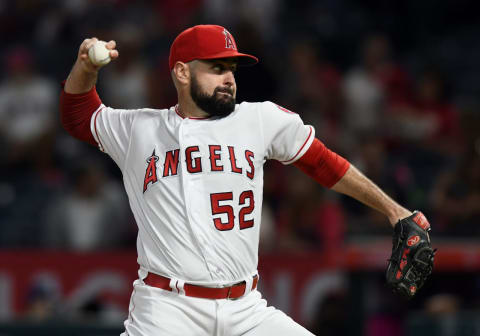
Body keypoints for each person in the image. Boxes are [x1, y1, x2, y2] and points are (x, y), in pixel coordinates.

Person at [60, 25, 416, 335]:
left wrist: (393, 209)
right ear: (182, 73)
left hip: (246, 308)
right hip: (168, 310)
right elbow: (78, 115)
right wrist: (86, 66)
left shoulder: (259, 119)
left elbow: (324, 164)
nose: (229, 77)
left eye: (231, 68)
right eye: (216, 68)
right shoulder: (139, 129)